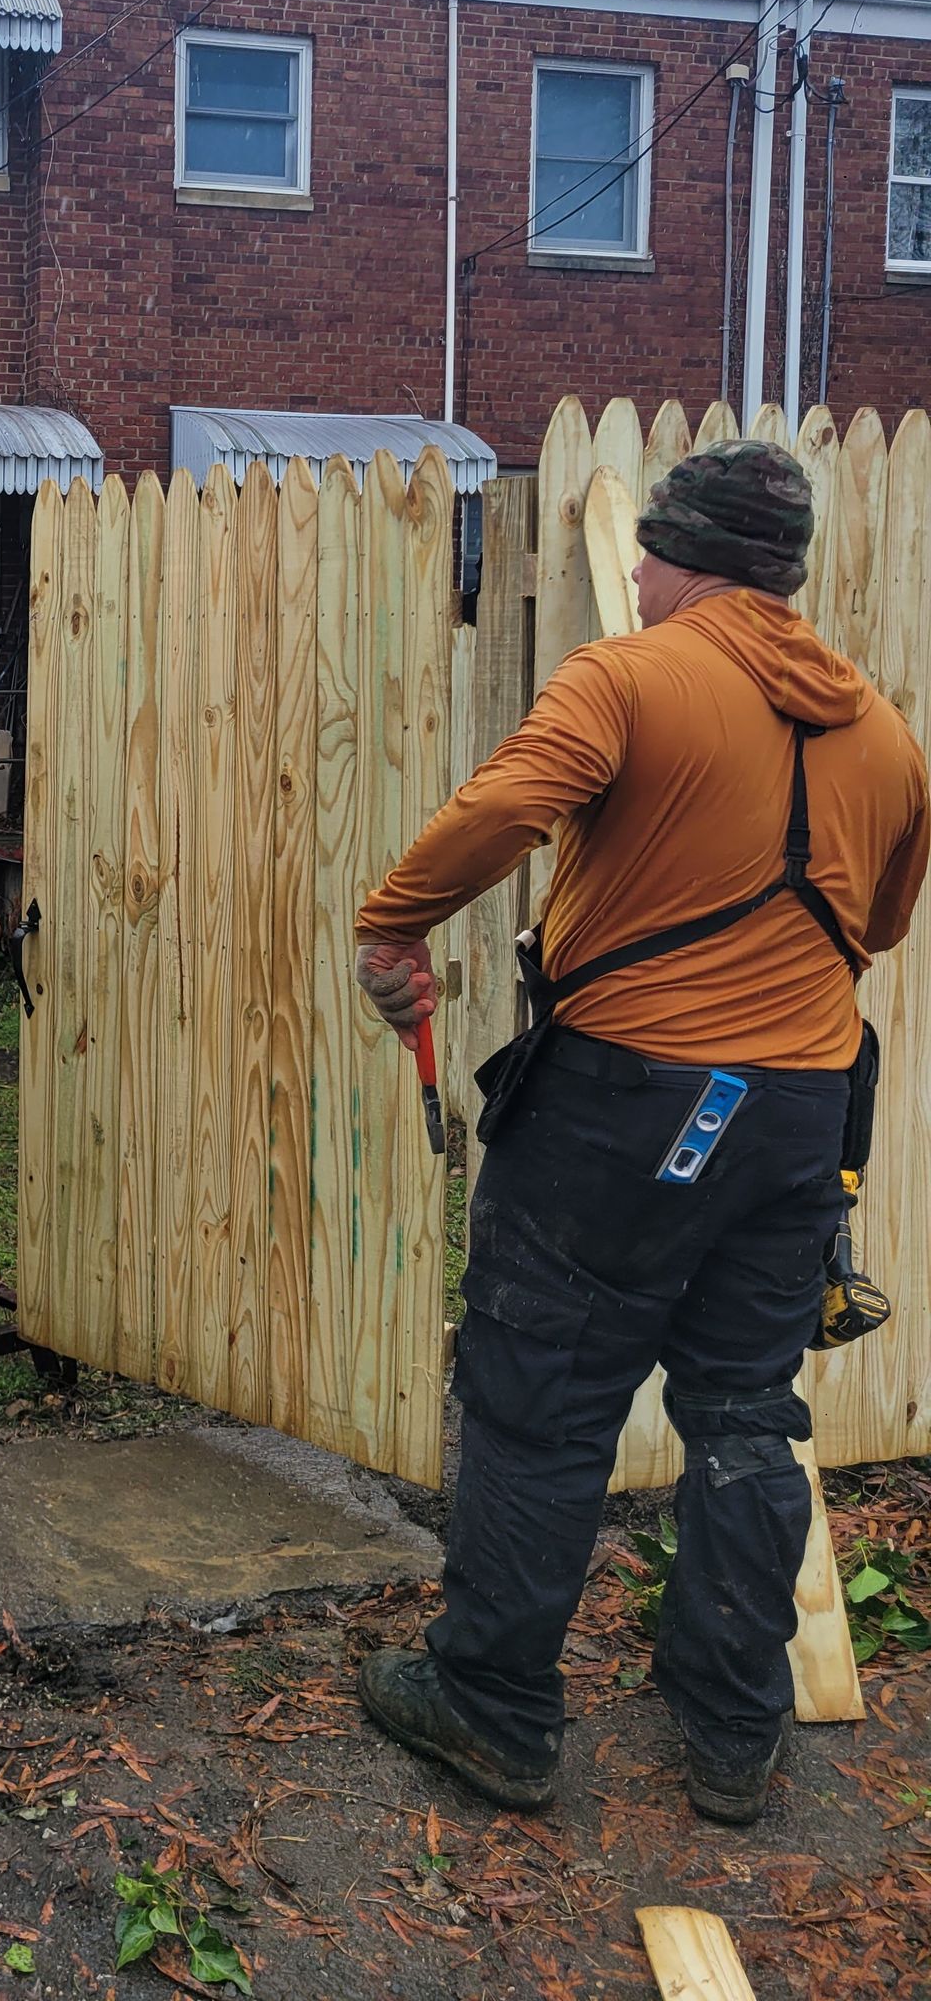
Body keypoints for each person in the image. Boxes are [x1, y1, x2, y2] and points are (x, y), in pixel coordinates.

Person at [351, 440, 927, 1824]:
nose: (643, 577)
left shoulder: (629, 675)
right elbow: (886, 925)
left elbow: (507, 806)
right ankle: (733, 1729)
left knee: (541, 1403)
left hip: (628, 1109)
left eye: (652, 556)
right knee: (743, 1404)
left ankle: (491, 1709)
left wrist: (391, 927)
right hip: (796, 1113)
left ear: (681, 558)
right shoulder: (887, 733)